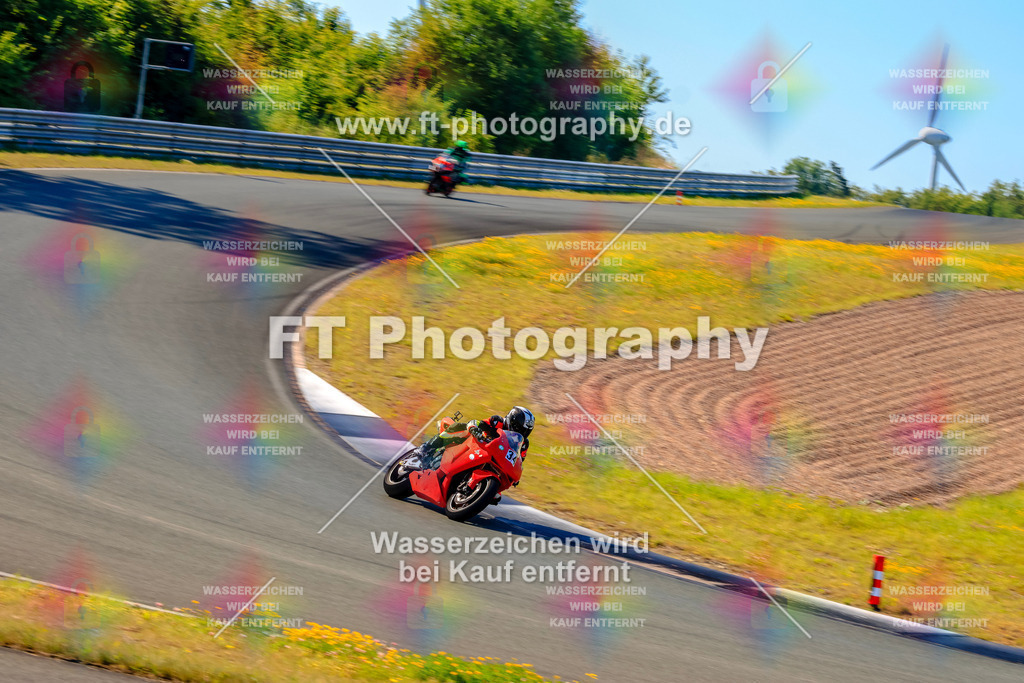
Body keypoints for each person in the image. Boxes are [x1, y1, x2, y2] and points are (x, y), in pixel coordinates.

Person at [418, 406, 534, 470]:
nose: (521, 432)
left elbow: (519, 461)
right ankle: (426, 447)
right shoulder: (497, 421)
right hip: (475, 443)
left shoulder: (523, 444)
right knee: (460, 428)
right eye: (519, 428)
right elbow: (479, 423)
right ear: (512, 420)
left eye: (525, 431)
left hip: (492, 458)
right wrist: (474, 428)